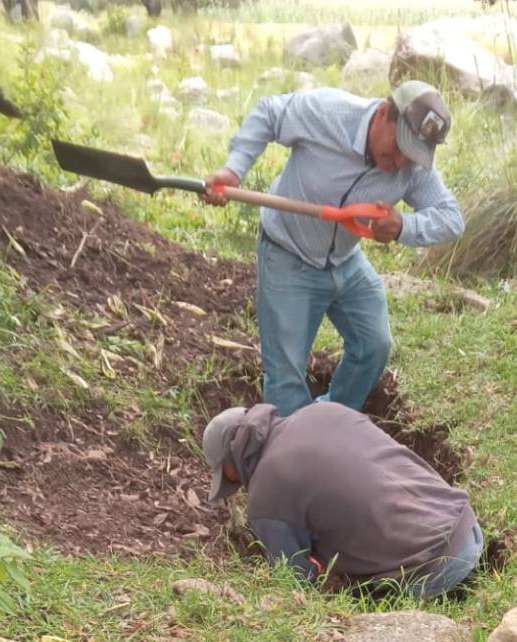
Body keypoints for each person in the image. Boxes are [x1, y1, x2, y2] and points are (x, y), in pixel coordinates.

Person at [204, 82, 464, 419]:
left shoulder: (412, 168)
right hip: (288, 254)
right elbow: (269, 113)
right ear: (384, 114)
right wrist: (235, 168)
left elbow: (452, 219)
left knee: (373, 346)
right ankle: (289, 454)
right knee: (285, 377)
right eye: (400, 146)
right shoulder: (328, 113)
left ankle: (327, 425)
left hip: (346, 260)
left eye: (412, 154)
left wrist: (404, 228)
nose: (401, 161)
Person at [200, 401, 484, 599]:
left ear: (230, 461)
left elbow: (296, 585)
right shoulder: (323, 411)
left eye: (225, 475)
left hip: (433, 570)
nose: (232, 484)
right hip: (465, 526)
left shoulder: (266, 494)